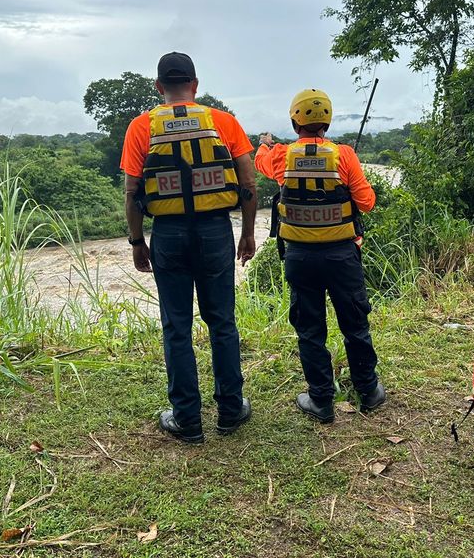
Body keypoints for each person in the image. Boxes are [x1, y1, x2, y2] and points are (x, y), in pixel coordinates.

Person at [120, 51, 257, 444]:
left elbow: (132, 193)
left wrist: (136, 240)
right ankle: (231, 411)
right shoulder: (223, 121)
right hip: (216, 231)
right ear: (195, 86)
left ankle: (187, 419)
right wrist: (247, 232)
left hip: (169, 233)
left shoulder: (141, 126)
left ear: (159, 87)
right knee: (222, 322)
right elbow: (248, 184)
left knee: (176, 326)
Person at [255, 88, 385, 423]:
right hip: (342, 256)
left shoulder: (281, 156)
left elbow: (262, 164)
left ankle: (321, 399)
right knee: (355, 323)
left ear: (295, 119)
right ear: (326, 119)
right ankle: (368, 390)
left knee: (310, 328)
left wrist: (264, 144)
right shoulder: (344, 155)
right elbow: (367, 203)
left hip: (300, 258)